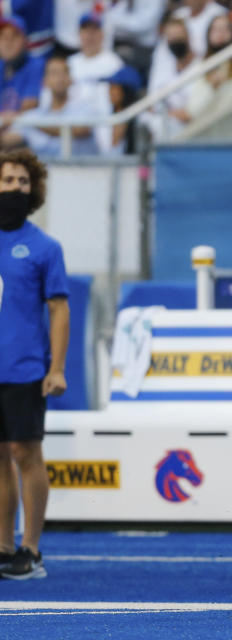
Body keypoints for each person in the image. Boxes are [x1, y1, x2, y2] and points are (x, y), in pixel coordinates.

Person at [0, 148, 67, 579]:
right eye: (7, 180)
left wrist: (56, 368)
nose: (14, 188)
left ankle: (32, 549)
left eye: (22, 182)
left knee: (27, 453)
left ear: (34, 189)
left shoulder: (45, 246)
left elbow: (59, 309)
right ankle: (4, 547)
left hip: (25, 368)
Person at [4, 56, 101, 156]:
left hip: (84, 170)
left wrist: (31, 122)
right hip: (46, 170)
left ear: (71, 79)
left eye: (64, 73)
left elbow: (79, 130)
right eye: (54, 73)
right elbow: (7, 140)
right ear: (44, 82)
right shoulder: (34, 115)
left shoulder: (85, 109)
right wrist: (4, 122)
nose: (60, 78)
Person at [0, 16, 44, 126]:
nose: (8, 43)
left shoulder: (36, 65)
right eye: (3, 37)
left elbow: (28, 107)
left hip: (26, 130)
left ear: (25, 40)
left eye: (14, 37)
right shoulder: (1, 66)